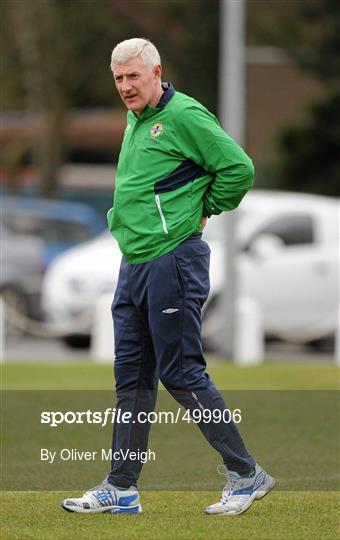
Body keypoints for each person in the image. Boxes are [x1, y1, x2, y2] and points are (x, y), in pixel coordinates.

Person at [61, 38, 275, 516]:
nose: (125, 87)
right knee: (132, 379)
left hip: (173, 260)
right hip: (134, 264)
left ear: (157, 72)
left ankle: (246, 474)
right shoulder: (136, 122)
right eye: (118, 79)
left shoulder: (184, 116)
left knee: (180, 372)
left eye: (133, 76)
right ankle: (121, 488)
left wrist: (205, 209)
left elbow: (239, 168)